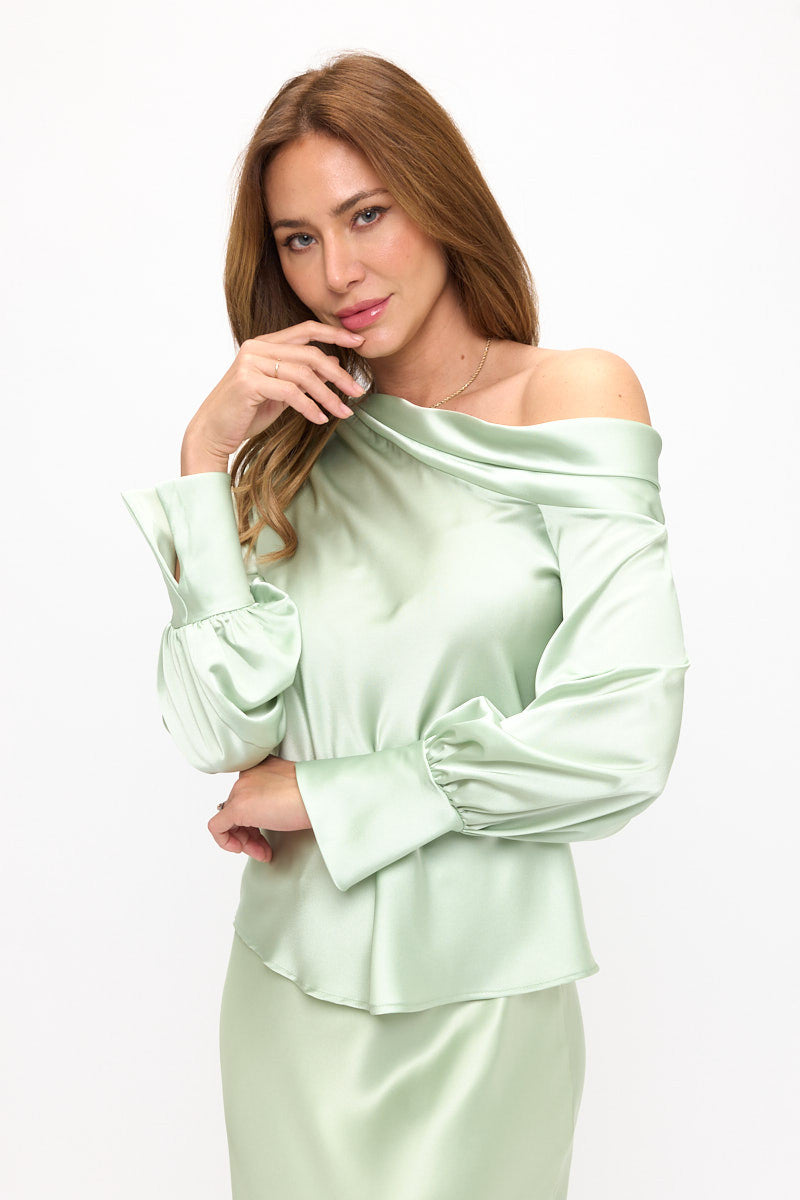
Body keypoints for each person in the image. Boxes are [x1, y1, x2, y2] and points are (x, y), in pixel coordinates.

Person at [120, 51, 690, 1200]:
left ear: (438, 196)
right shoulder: (290, 449)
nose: (336, 272)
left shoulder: (569, 398)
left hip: (484, 1004)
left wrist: (329, 795)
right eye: (297, 239)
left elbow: (620, 742)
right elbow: (221, 731)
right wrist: (203, 457)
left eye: (365, 214)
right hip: (286, 992)